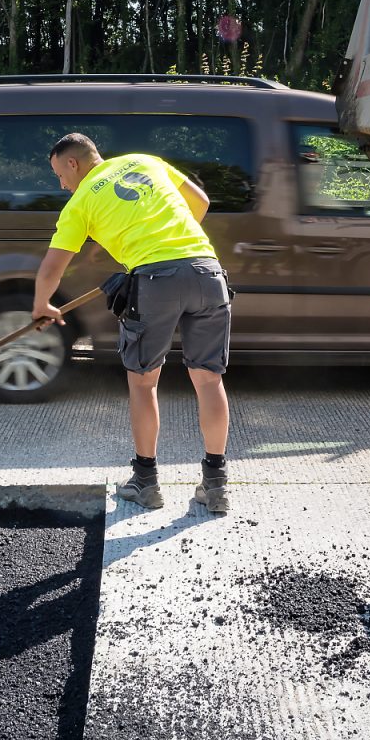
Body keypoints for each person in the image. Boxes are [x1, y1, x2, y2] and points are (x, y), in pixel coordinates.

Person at [31, 133, 233, 514]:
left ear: (73, 163)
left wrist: (42, 304)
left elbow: (53, 266)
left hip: (156, 283)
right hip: (208, 271)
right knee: (208, 379)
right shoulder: (143, 159)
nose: (61, 184)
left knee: (144, 383)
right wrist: (171, 245)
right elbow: (200, 202)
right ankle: (216, 486)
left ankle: (145, 482)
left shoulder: (82, 202)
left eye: (59, 174)